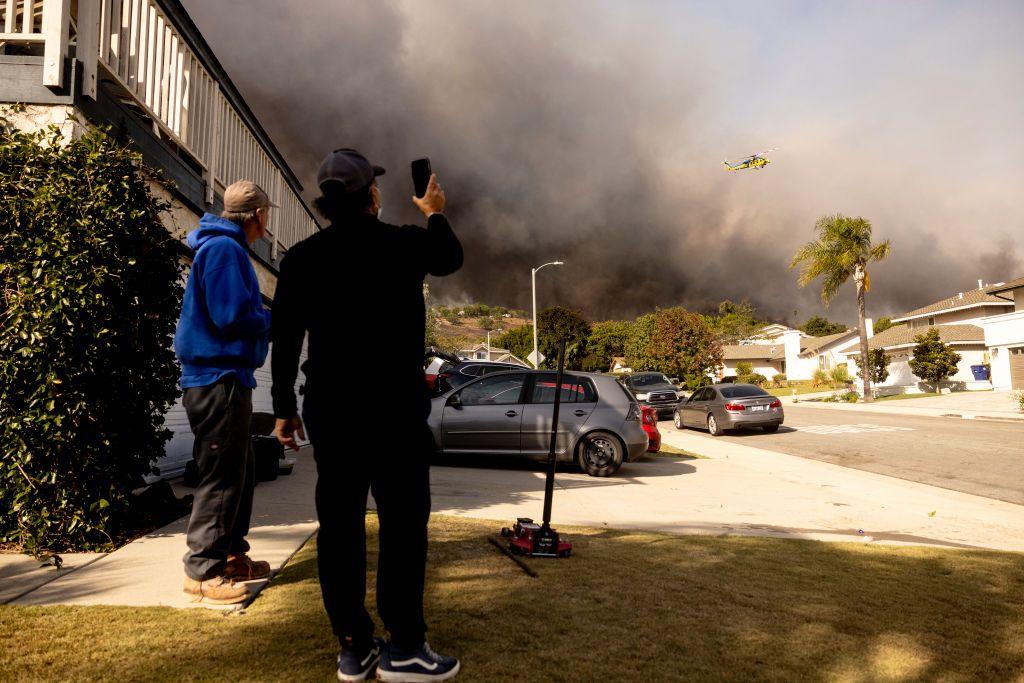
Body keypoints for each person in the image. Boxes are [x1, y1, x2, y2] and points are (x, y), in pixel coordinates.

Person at [271, 148, 463, 681]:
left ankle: (355, 646)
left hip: (332, 414)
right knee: (403, 528)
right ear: (372, 196)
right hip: (395, 414)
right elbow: (449, 257)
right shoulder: (402, 244)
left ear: (328, 201)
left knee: (339, 529)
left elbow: (283, 342)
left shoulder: (302, 258)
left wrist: (284, 409)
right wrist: (435, 209)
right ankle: (405, 647)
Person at [174, 180, 275, 605]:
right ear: (256, 216)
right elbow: (230, 314)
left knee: (239, 473)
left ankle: (233, 555)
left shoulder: (227, 249)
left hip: (228, 378)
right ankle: (203, 571)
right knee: (220, 476)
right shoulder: (224, 250)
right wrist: (276, 320)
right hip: (218, 380)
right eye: (267, 215)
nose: (268, 225)